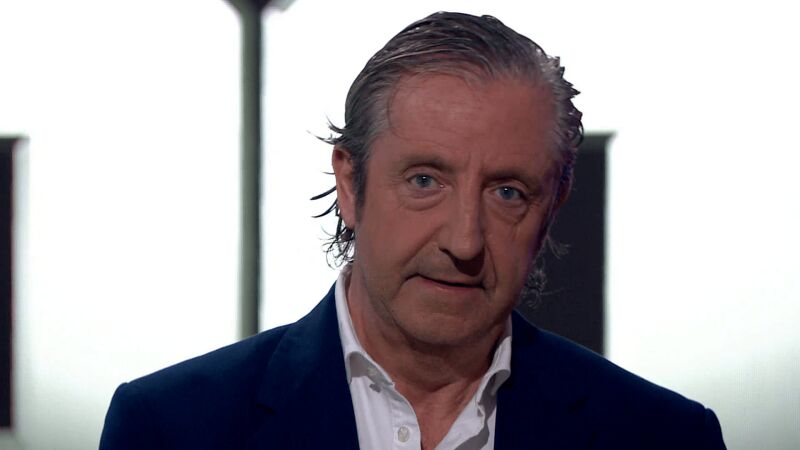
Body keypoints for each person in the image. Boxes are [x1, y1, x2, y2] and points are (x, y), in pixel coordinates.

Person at [100, 11, 726, 450]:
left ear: (552, 207)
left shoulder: (664, 436)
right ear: (351, 185)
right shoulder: (171, 428)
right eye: (426, 181)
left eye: (508, 193)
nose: (465, 242)